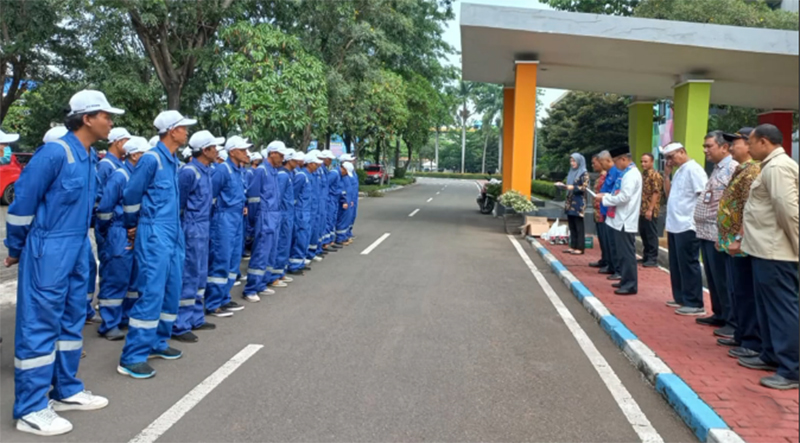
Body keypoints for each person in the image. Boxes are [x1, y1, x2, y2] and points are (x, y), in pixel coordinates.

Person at [5, 89, 122, 435]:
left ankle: (65, 389)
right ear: (87, 118)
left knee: (72, 319)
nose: (111, 122)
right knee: (39, 324)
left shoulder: (88, 156)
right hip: (49, 248)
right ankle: (30, 408)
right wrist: (16, 247)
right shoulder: (55, 153)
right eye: (106, 115)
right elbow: (22, 204)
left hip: (76, 247)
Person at [118, 110, 195, 379]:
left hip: (173, 233)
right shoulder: (151, 159)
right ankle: (132, 356)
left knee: (171, 289)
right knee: (151, 292)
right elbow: (131, 194)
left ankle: (157, 342)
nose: (186, 132)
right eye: (183, 128)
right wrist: (132, 224)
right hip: (154, 233)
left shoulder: (172, 161)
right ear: (172, 131)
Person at [736, 124, 799, 390]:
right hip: (765, 250)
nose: (747, 148)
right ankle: (771, 355)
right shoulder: (771, 166)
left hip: (777, 253)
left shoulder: (777, 167)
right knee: (768, 308)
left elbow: (787, 210)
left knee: (782, 310)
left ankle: (791, 369)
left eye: (750, 143)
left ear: (764, 141)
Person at [95, 136, 150, 341]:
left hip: (136, 231)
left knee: (134, 278)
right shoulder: (120, 176)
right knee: (116, 277)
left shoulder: (139, 176)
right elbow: (104, 209)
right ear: (135, 155)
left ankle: (126, 316)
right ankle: (109, 324)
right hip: (119, 231)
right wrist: (107, 233)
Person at [173, 130, 222, 343]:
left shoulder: (207, 171)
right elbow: (179, 203)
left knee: (201, 273)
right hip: (192, 228)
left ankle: (195, 317)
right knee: (190, 274)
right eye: (214, 147)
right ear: (205, 150)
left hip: (204, 226)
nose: (218, 151)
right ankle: (180, 323)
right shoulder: (189, 172)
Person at [716, 128, 760, 358]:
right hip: (731, 242)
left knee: (745, 292)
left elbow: (748, 210)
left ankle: (751, 341)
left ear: (749, 144)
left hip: (741, 244)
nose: (731, 147)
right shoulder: (741, 170)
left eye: (736, 142)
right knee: (736, 290)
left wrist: (737, 238)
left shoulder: (752, 172)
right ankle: (741, 334)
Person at [694, 131, 738, 334]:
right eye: (705, 146)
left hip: (719, 232)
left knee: (723, 279)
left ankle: (730, 320)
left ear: (724, 147)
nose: (705, 150)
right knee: (712, 277)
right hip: (706, 231)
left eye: (709, 146)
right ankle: (719, 313)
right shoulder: (717, 169)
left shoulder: (732, 168)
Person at [205, 136, 250, 316]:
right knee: (221, 259)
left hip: (237, 218)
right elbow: (211, 195)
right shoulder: (223, 170)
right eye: (243, 150)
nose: (247, 153)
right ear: (233, 152)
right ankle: (213, 303)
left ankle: (224, 298)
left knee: (233, 260)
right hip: (224, 218)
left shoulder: (239, 170)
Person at [662, 141, 707, 316]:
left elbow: (703, 195)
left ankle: (694, 302)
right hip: (675, 224)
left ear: (682, 152)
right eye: (667, 158)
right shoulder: (680, 170)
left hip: (687, 224)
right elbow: (669, 194)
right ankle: (681, 296)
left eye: (671, 157)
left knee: (688, 263)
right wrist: (666, 175)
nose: (669, 161)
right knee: (677, 263)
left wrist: (697, 221)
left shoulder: (694, 170)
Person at [598, 146, 642, 295]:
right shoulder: (626, 173)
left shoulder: (631, 175)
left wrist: (605, 198)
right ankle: (625, 279)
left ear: (624, 159)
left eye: (616, 161)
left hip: (625, 219)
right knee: (622, 254)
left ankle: (630, 284)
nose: (615, 164)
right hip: (619, 217)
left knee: (627, 254)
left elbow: (624, 197)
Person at [243, 141, 283, 301]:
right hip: (264, 216)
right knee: (260, 251)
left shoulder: (273, 171)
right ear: (272, 153)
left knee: (270, 251)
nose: (282, 158)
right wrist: (254, 221)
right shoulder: (262, 171)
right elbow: (253, 198)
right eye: (280, 154)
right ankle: (251, 288)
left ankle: (262, 283)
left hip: (274, 215)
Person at [273, 148, 298, 283]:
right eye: (294, 160)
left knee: (285, 243)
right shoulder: (283, 175)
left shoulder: (289, 174)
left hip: (287, 213)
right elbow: (279, 197)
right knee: (281, 243)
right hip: (283, 214)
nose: (298, 163)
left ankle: (281, 272)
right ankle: (275, 275)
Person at [594, 151, 620, 277]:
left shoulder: (616, 172)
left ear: (608, 160)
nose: (600, 164)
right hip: (605, 210)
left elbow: (615, 192)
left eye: (601, 162)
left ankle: (615, 267)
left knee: (613, 243)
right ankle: (609, 264)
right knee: (607, 241)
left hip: (611, 210)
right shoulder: (609, 173)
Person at [557, 153, 589, 255]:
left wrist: (572, 187)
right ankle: (573, 245)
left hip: (579, 202)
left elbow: (584, 187)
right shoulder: (571, 172)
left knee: (578, 224)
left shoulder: (584, 173)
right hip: (570, 200)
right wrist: (563, 186)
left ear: (579, 161)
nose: (572, 163)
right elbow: (568, 185)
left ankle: (580, 247)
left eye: (574, 161)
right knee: (571, 225)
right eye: (571, 161)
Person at [288, 153, 315, 274]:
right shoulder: (301, 176)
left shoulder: (308, 175)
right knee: (299, 237)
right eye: (316, 163)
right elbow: (293, 194)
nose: (318, 165)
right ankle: (294, 264)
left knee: (304, 237)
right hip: (300, 211)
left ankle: (300, 261)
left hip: (306, 210)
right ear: (309, 163)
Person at [638, 153, 663, 267]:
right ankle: (646, 256)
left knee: (651, 234)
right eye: (642, 161)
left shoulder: (655, 175)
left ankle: (652, 258)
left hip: (651, 209)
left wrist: (650, 209)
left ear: (652, 162)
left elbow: (656, 193)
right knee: (643, 233)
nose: (643, 164)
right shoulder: (644, 174)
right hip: (642, 208)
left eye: (646, 161)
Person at [588, 154, 607, 267]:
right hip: (598, 211)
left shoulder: (606, 177)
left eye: (594, 163)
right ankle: (604, 259)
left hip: (603, 211)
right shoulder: (601, 176)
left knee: (606, 239)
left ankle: (608, 261)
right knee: (602, 238)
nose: (593, 165)